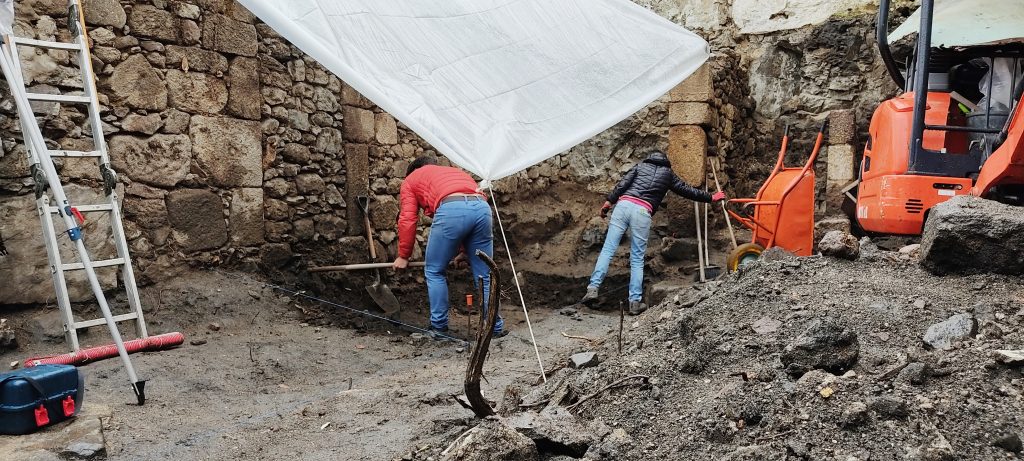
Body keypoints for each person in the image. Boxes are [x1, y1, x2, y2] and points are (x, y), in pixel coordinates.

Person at [580, 150, 725, 315]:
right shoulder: (668, 174)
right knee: (636, 259)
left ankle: (592, 289)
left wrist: (608, 202)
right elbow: (686, 190)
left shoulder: (640, 166)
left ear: (649, 157)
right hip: (642, 211)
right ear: (666, 161)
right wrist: (711, 197)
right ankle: (634, 303)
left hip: (623, 206)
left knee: (607, 250)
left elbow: (622, 184)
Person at [393, 156, 507, 339]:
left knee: (435, 271)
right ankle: (495, 327)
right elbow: (467, 208)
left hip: (451, 209)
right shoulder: (454, 172)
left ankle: (439, 329)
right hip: (482, 208)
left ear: (413, 170)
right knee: (485, 276)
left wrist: (403, 255)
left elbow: (407, 219)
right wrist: (464, 252)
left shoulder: (411, 180)